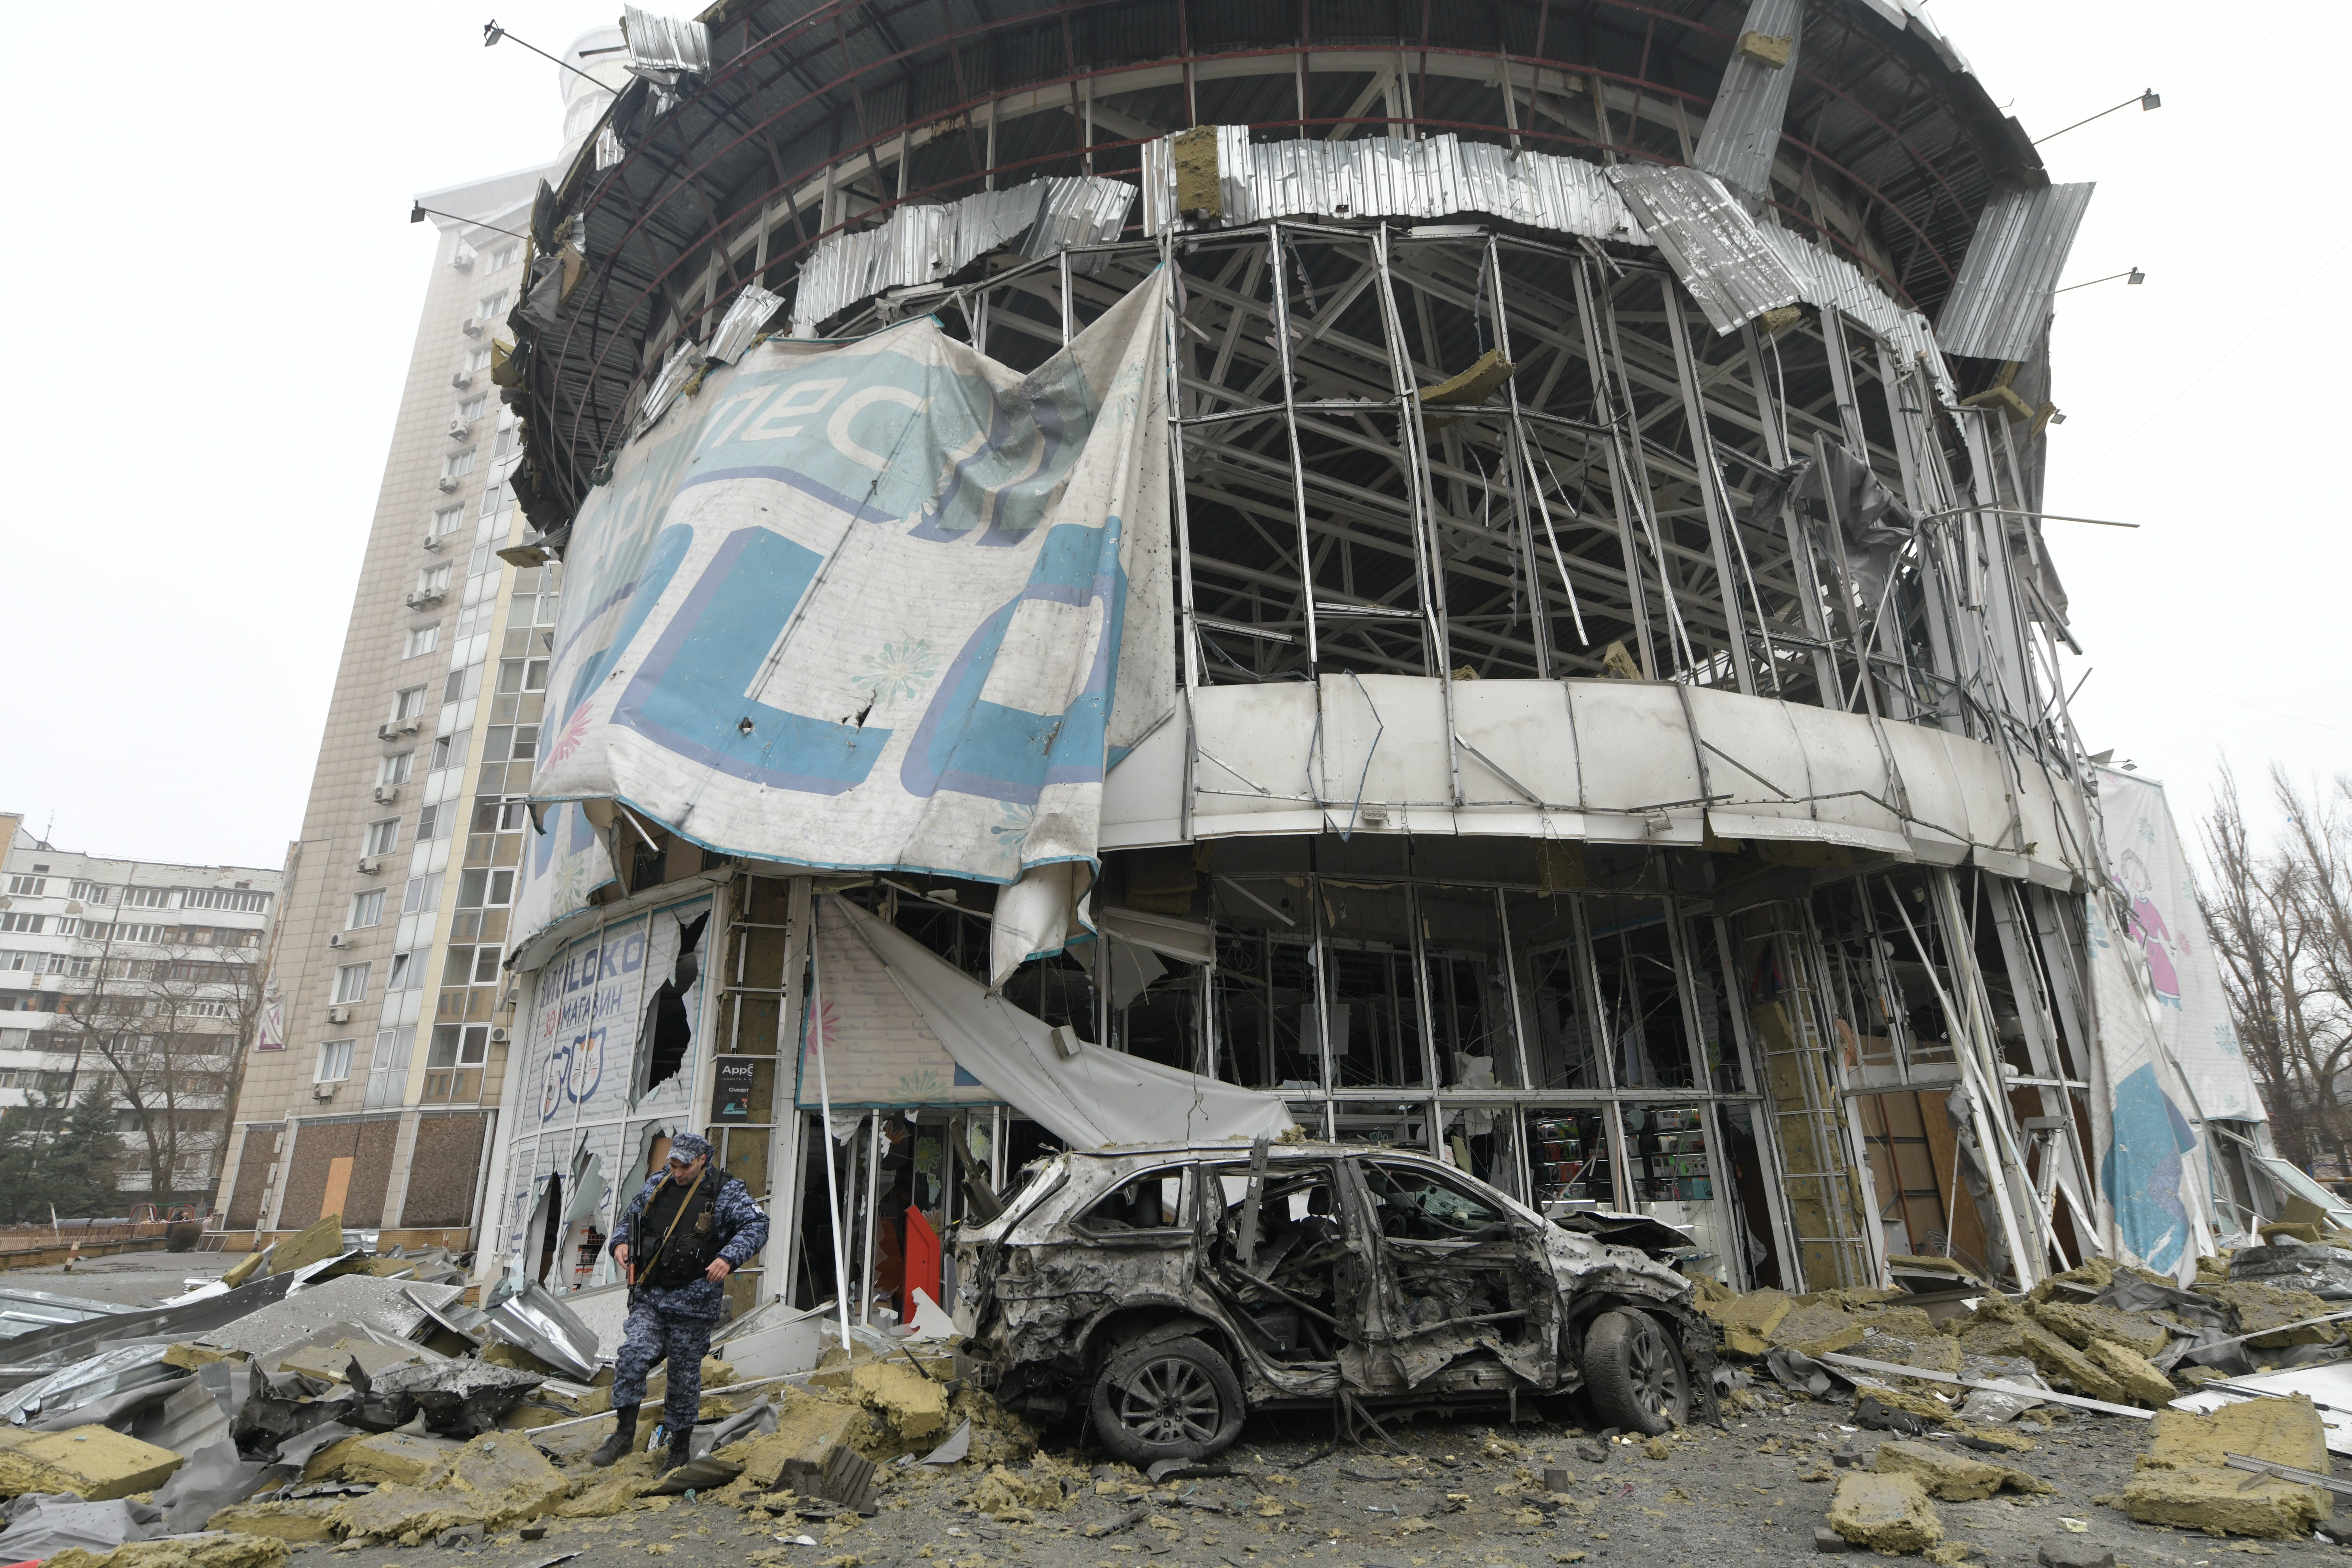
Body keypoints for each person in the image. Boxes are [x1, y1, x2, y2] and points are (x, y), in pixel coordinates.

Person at [590, 1132, 769, 1471]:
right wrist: (619, 1245)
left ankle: (679, 1448)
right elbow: (631, 1219)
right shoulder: (659, 1184)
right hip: (652, 1294)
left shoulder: (725, 1191)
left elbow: (757, 1225)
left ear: (702, 1160)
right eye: (672, 1164)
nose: (677, 1172)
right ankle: (624, 1432)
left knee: (683, 1378)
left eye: (683, 1166)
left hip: (693, 1301)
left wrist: (728, 1258)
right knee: (633, 1354)